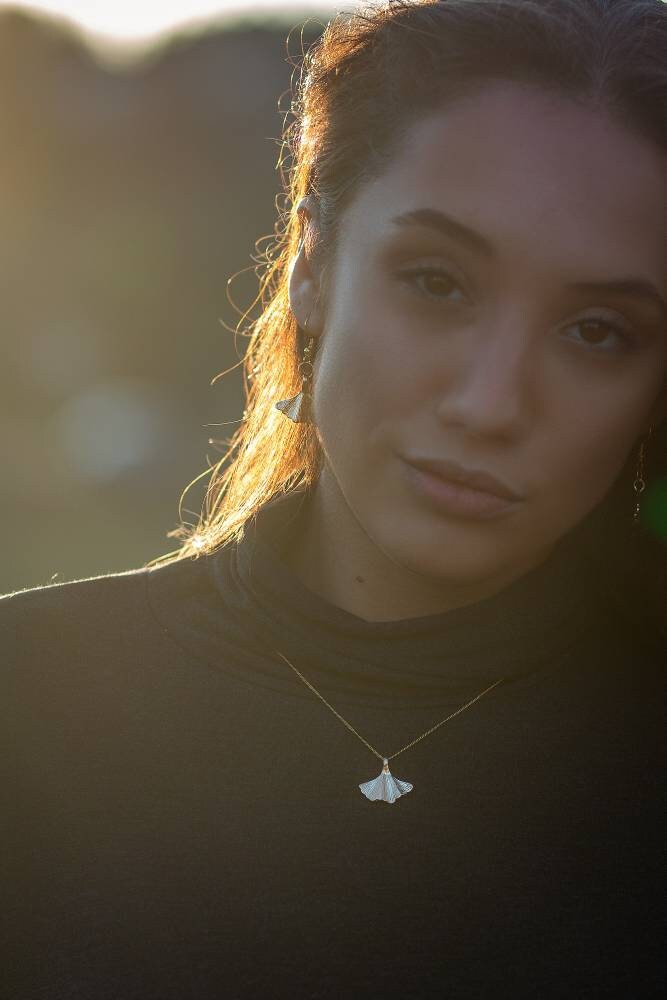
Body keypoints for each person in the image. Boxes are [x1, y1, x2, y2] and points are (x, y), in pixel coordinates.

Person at [2, 0, 666, 996]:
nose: (490, 403)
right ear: (312, 263)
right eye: (436, 281)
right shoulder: (29, 699)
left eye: (598, 331)